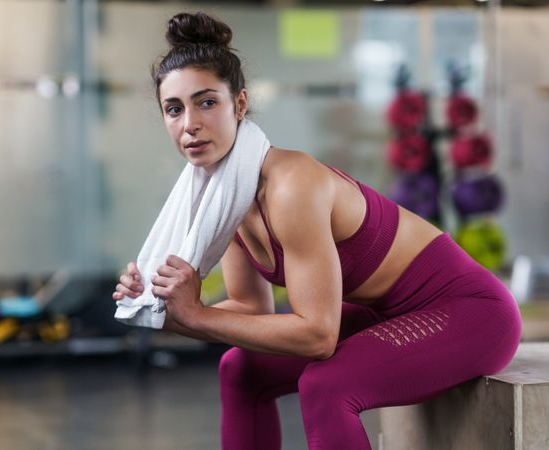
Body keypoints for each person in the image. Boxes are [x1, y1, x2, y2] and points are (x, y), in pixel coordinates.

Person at [111, 11, 521, 450]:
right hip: (392, 313)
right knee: (241, 369)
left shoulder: (291, 185)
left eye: (206, 102)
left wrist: (197, 314)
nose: (189, 123)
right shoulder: (224, 199)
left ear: (241, 105)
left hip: (470, 311)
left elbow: (318, 336)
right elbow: (250, 310)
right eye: (174, 109)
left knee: (328, 383)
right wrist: (167, 310)